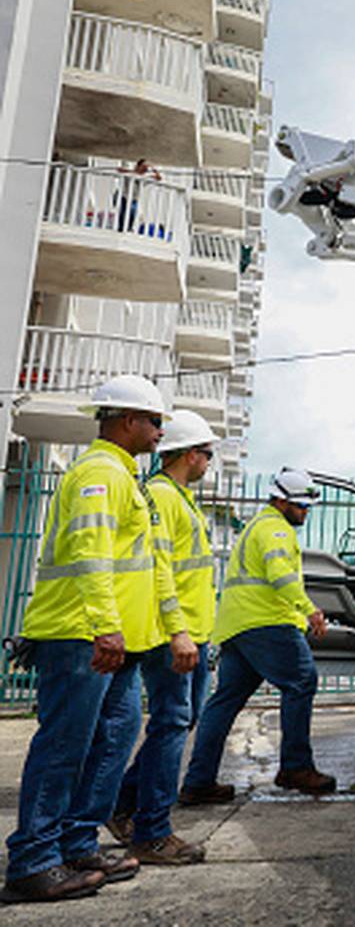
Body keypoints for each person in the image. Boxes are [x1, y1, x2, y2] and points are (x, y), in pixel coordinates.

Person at [2, 375, 188, 904]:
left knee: (113, 738)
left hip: (115, 643)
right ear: (128, 421)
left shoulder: (126, 477)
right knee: (65, 746)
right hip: (81, 636)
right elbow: (91, 554)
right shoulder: (100, 473)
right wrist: (105, 625)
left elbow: (146, 565)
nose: (159, 433)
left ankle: (77, 843)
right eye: (155, 422)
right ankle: (34, 860)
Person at [179, 468, 334, 803]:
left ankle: (198, 782)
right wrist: (309, 608)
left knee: (223, 703)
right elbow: (279, 575)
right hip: (267, 622)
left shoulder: (257, 526)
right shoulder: (275, 529)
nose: (306, 512)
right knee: (302, 681)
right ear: (280, 500)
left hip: (239, 626)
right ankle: (295, 767)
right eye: (301, 506)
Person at [107, 410, 219, 864]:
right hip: (176, 633)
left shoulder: (180, 496)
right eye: (207, 454)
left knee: (177, 722)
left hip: (193, 632)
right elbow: (161, 570)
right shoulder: (161, 495)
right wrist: (179, 632)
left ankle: (125, 804)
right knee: (171, 724)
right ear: (191, 454)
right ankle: (151, 831)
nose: (210, 462)